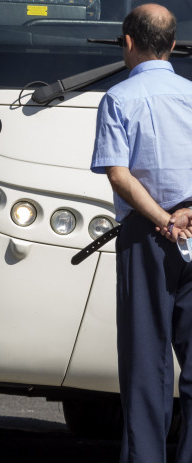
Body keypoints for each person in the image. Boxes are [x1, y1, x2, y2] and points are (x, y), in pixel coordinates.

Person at [90, 4, 192, 463]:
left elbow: (118, 175)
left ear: (128, 43)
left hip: (146, 237)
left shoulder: (118, 98)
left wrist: (164, 219)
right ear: (173, 45)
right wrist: (186, 212)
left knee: (145, 365)